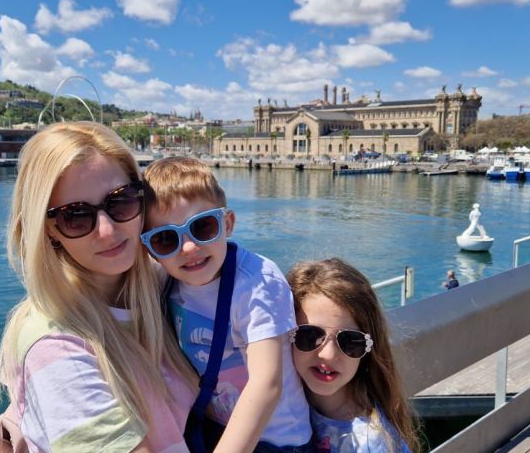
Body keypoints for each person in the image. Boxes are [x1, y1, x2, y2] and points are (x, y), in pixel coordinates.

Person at [0, 122, 197, 452]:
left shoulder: (162, 285)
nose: (107, 230)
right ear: (48, 229)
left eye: (121, 201)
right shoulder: (55, 347)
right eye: (76, 216)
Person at [141, 157, 312, 452]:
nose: (189, 247)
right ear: (152, 250)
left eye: (203, 226)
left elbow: (266, 385)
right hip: (215, 425)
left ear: (228, 223)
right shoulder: (166, 279)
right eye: (166, 239)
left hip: (277, 440)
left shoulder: (256, 283)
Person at [287, 258, 418, 452]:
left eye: (350, 341)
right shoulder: (278, 402)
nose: (328, 354)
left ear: (368, 349)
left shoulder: (373, 444)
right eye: (310, 336)